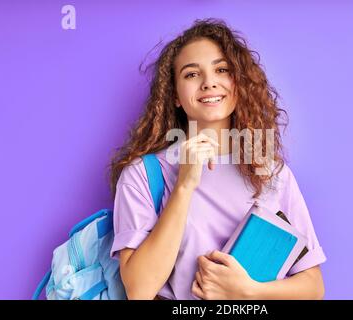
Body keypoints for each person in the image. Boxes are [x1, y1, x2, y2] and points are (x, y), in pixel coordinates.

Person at [108, 18, 326, 300]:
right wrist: (184, 185)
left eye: (222, 70)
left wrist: (248, 291)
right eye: (191, 74)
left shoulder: (271, 172)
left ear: (238, 84)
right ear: (175, 95)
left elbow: (313, 287)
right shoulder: (143, 174)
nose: (209, 83)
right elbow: (139, 290)